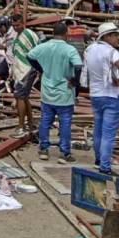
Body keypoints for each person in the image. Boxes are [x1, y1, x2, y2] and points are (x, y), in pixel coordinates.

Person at [29, 22, 82, 163]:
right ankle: (64, 153)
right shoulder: (70, 49)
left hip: (47, 91)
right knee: (65, 123)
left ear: (53, 33)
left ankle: (44, 149)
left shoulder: (44, 46)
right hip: (64, 92)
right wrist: (75, 81)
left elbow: (30, 56)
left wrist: (41, 69)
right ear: (66, 34)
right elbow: (78, 66)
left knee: (45, 121)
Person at [84, 22, 119, 174]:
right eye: (115, 35)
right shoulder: (111, 51)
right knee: (108, 134)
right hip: (111, 95)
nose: (118, 38)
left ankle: (98, 160)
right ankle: (105, 166)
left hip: (96, 94)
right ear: (107, 36)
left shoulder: (90, 49)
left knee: (98, 130)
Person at [11, 15, 41, 138]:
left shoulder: (29, 34)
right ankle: (29, 124)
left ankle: (21, 127)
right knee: (24, 96)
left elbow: (38, 50)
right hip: (20, 70)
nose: (15, 27)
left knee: (20, 97)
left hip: (27, 69)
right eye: (13, 25)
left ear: (23, 23)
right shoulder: (17, 36)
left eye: (17, 25)